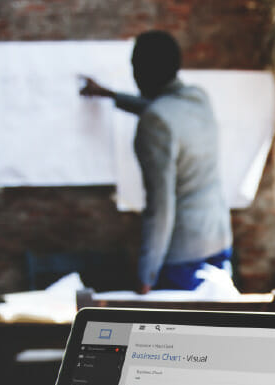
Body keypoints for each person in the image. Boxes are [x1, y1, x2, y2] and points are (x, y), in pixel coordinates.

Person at [80, 31, 233, 293]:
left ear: (141, 72)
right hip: (218, 239)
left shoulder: (156, 121)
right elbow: (161, 110)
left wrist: (147, 274)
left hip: (182, 256)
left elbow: (160, 207)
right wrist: (110, 95)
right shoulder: (198, 98)